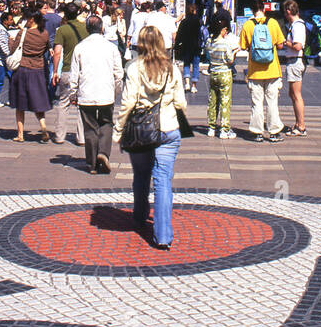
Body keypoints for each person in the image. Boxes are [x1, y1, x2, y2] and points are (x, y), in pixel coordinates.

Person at [113, 26, 188, 250]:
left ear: (141, 45)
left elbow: (128, 102)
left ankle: (139, 213)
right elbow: (181, 103)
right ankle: (163, 235)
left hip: (142, 129)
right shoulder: (172, 68)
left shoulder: (135, 68)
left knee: (141, 174)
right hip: (169, 128)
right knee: (163, 180)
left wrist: (119, 129)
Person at [69, 13, 123, 173]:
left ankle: (91, 163)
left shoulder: (80, 47)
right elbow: (119, 73)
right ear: (102, 28)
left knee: (90, 127)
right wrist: (116, 91)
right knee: (106, 123)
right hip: (106, 92)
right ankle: (103, 153)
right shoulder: (111, 47)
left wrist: (73, 93)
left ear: (87, 29)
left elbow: (74, 74)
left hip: (86, 93)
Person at [238, 0, 286, 143]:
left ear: (252, 10)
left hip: (254, 71)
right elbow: (281, 45)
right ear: (264, 9)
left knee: (256, 102)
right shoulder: (273, 23)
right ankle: (274, 132)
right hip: (272, 69)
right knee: (272, 102)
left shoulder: (247, 25)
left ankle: (257, 132)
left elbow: (243, 46)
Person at [9, 11, 52, 143]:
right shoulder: (44, 33)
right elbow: (46, 49)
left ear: (32, 19)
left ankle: (20, 134)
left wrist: (11, 40)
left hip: (23, 67)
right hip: (38, 68)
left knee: (20, 103)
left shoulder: (24, 33)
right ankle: (43, 128)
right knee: (38, 101)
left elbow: (13, 50)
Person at [51, 3, 87, 145]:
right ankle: (81, 137)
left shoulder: (62, 30)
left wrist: (55, 71)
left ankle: (60, 136)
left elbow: (57, 52)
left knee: (63, 103)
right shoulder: (86, 27)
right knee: (82, 104)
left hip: (67, 69)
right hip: (83, 70)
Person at [206, 19, 238, 139]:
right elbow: (230, 60)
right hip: (224, 73)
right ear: (222, 30)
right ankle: (224, 129)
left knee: (212, 100)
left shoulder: (209, 42)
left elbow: (208, 54)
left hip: (213, 72)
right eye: (225, 30)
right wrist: (235, 52)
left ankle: (211, 127)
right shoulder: (225, 43)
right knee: (225, 101)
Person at [282, 0, 308, 135]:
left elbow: (298, 46)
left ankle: (301, 126)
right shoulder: (297, 25)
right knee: (292, 93)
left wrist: (286, 43)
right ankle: (298, 123)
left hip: (295, 61)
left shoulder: (297, 26)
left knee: (296, 94)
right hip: (294, 61)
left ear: (288, 12)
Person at [174, 4, 202, 93]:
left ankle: (187, 83)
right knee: (196, 65)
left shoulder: (184, 22)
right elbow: (201, 34)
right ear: (194, 11)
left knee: (186, 64)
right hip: (196, 46)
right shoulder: (198, 21)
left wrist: (177, 45)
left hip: (186, 46)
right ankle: (194, 85)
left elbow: (179, 35)